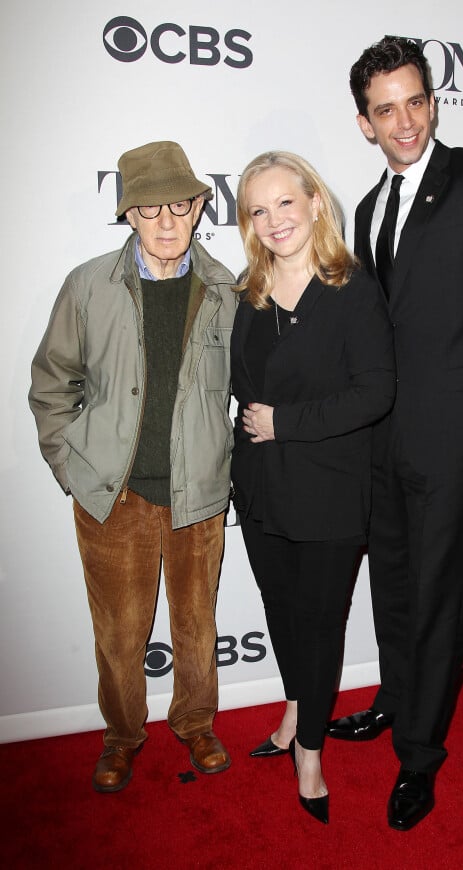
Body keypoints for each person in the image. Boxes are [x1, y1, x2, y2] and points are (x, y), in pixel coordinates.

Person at [326, 36, 463, 830]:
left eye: (416, 101)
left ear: (432, 102)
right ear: (365, 122)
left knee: (443, 597)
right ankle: (394, 697)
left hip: (458, 443)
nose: (406, 120)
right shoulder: (370, 206)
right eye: (387, 110)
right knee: (394, 587)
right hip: (384, 441)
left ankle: (419, 756)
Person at [29, 141, 237, 793]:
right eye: (150, 209)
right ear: (128, 215)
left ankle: (197, 725)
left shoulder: (227, 290)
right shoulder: (88, 286)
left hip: (198, 499)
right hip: (113, 503)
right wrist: (74, 466)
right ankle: (121, 737)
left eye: (180, 205)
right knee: (120, 638)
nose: (168, 222)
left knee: (197, 629)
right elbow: (51, 381)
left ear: (202, 205)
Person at [230, 151, 396, 824]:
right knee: (280, 607)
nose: (274, 221)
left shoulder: (351, 286)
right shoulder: (251, 290)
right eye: (258, 211)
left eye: (285, 203)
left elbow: (377, 391)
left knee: (321, 622)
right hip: (262, 485)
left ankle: (309, 751)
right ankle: (295, 705)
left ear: (316, 203)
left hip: (329, 490)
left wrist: (289, 423)